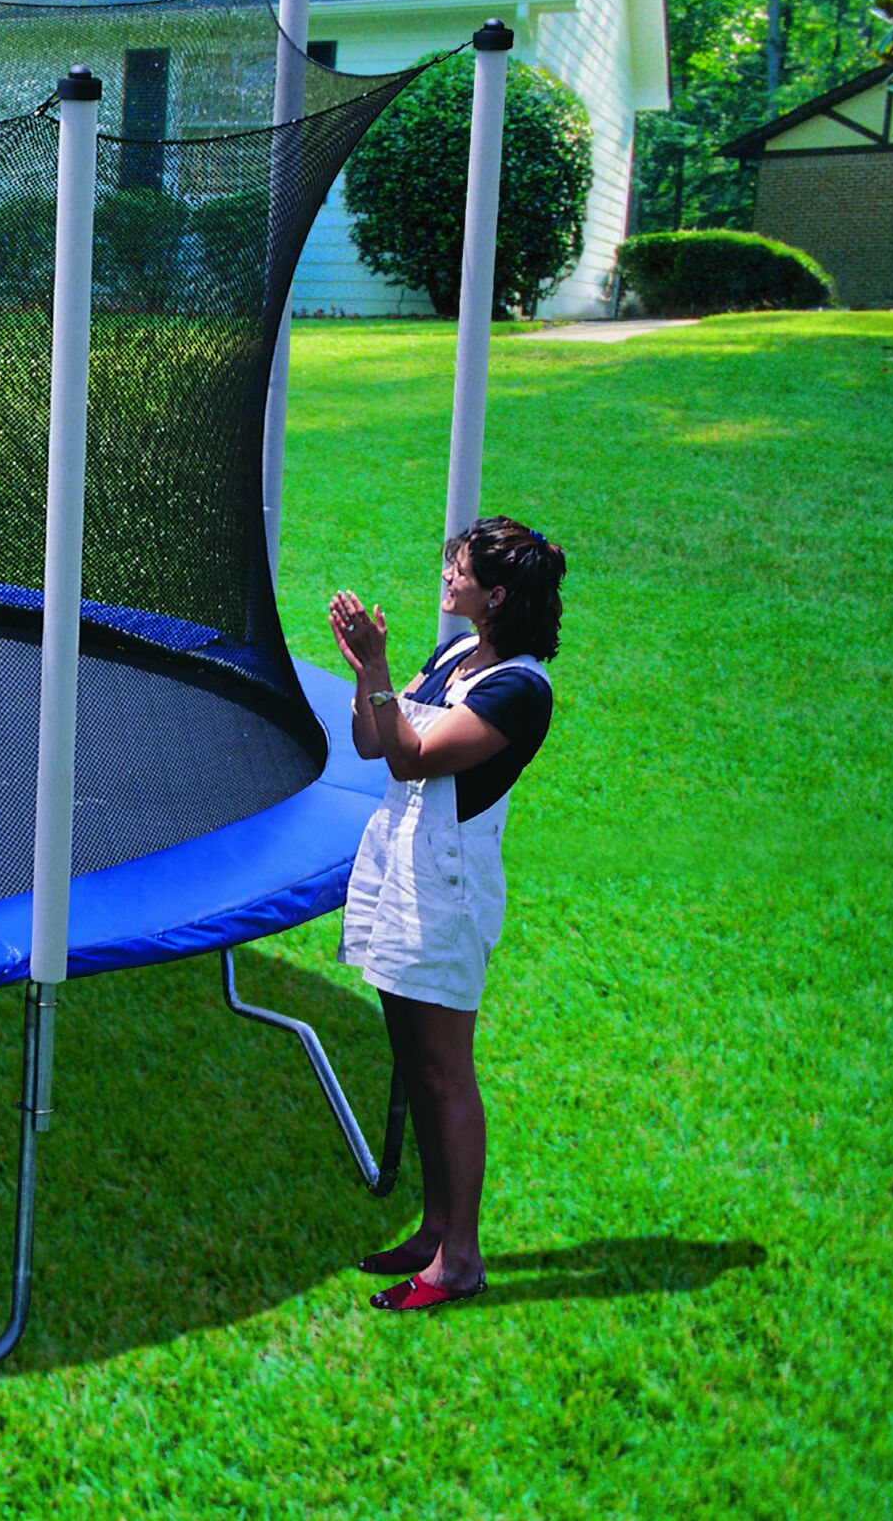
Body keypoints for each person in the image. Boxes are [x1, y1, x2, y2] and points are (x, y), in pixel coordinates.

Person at [326, 516, 566, 1312]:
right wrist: (364, 673)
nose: (446, 574)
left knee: (443, 1071)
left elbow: (412, 757)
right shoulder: (454, 655)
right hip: (400, 866)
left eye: (458, 567)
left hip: (446, 888)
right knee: (412, 1059)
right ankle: (433, 1232)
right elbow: (372, 741)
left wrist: (378, 667)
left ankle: (459, 1260)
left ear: (494, 594)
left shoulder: (519, 689)